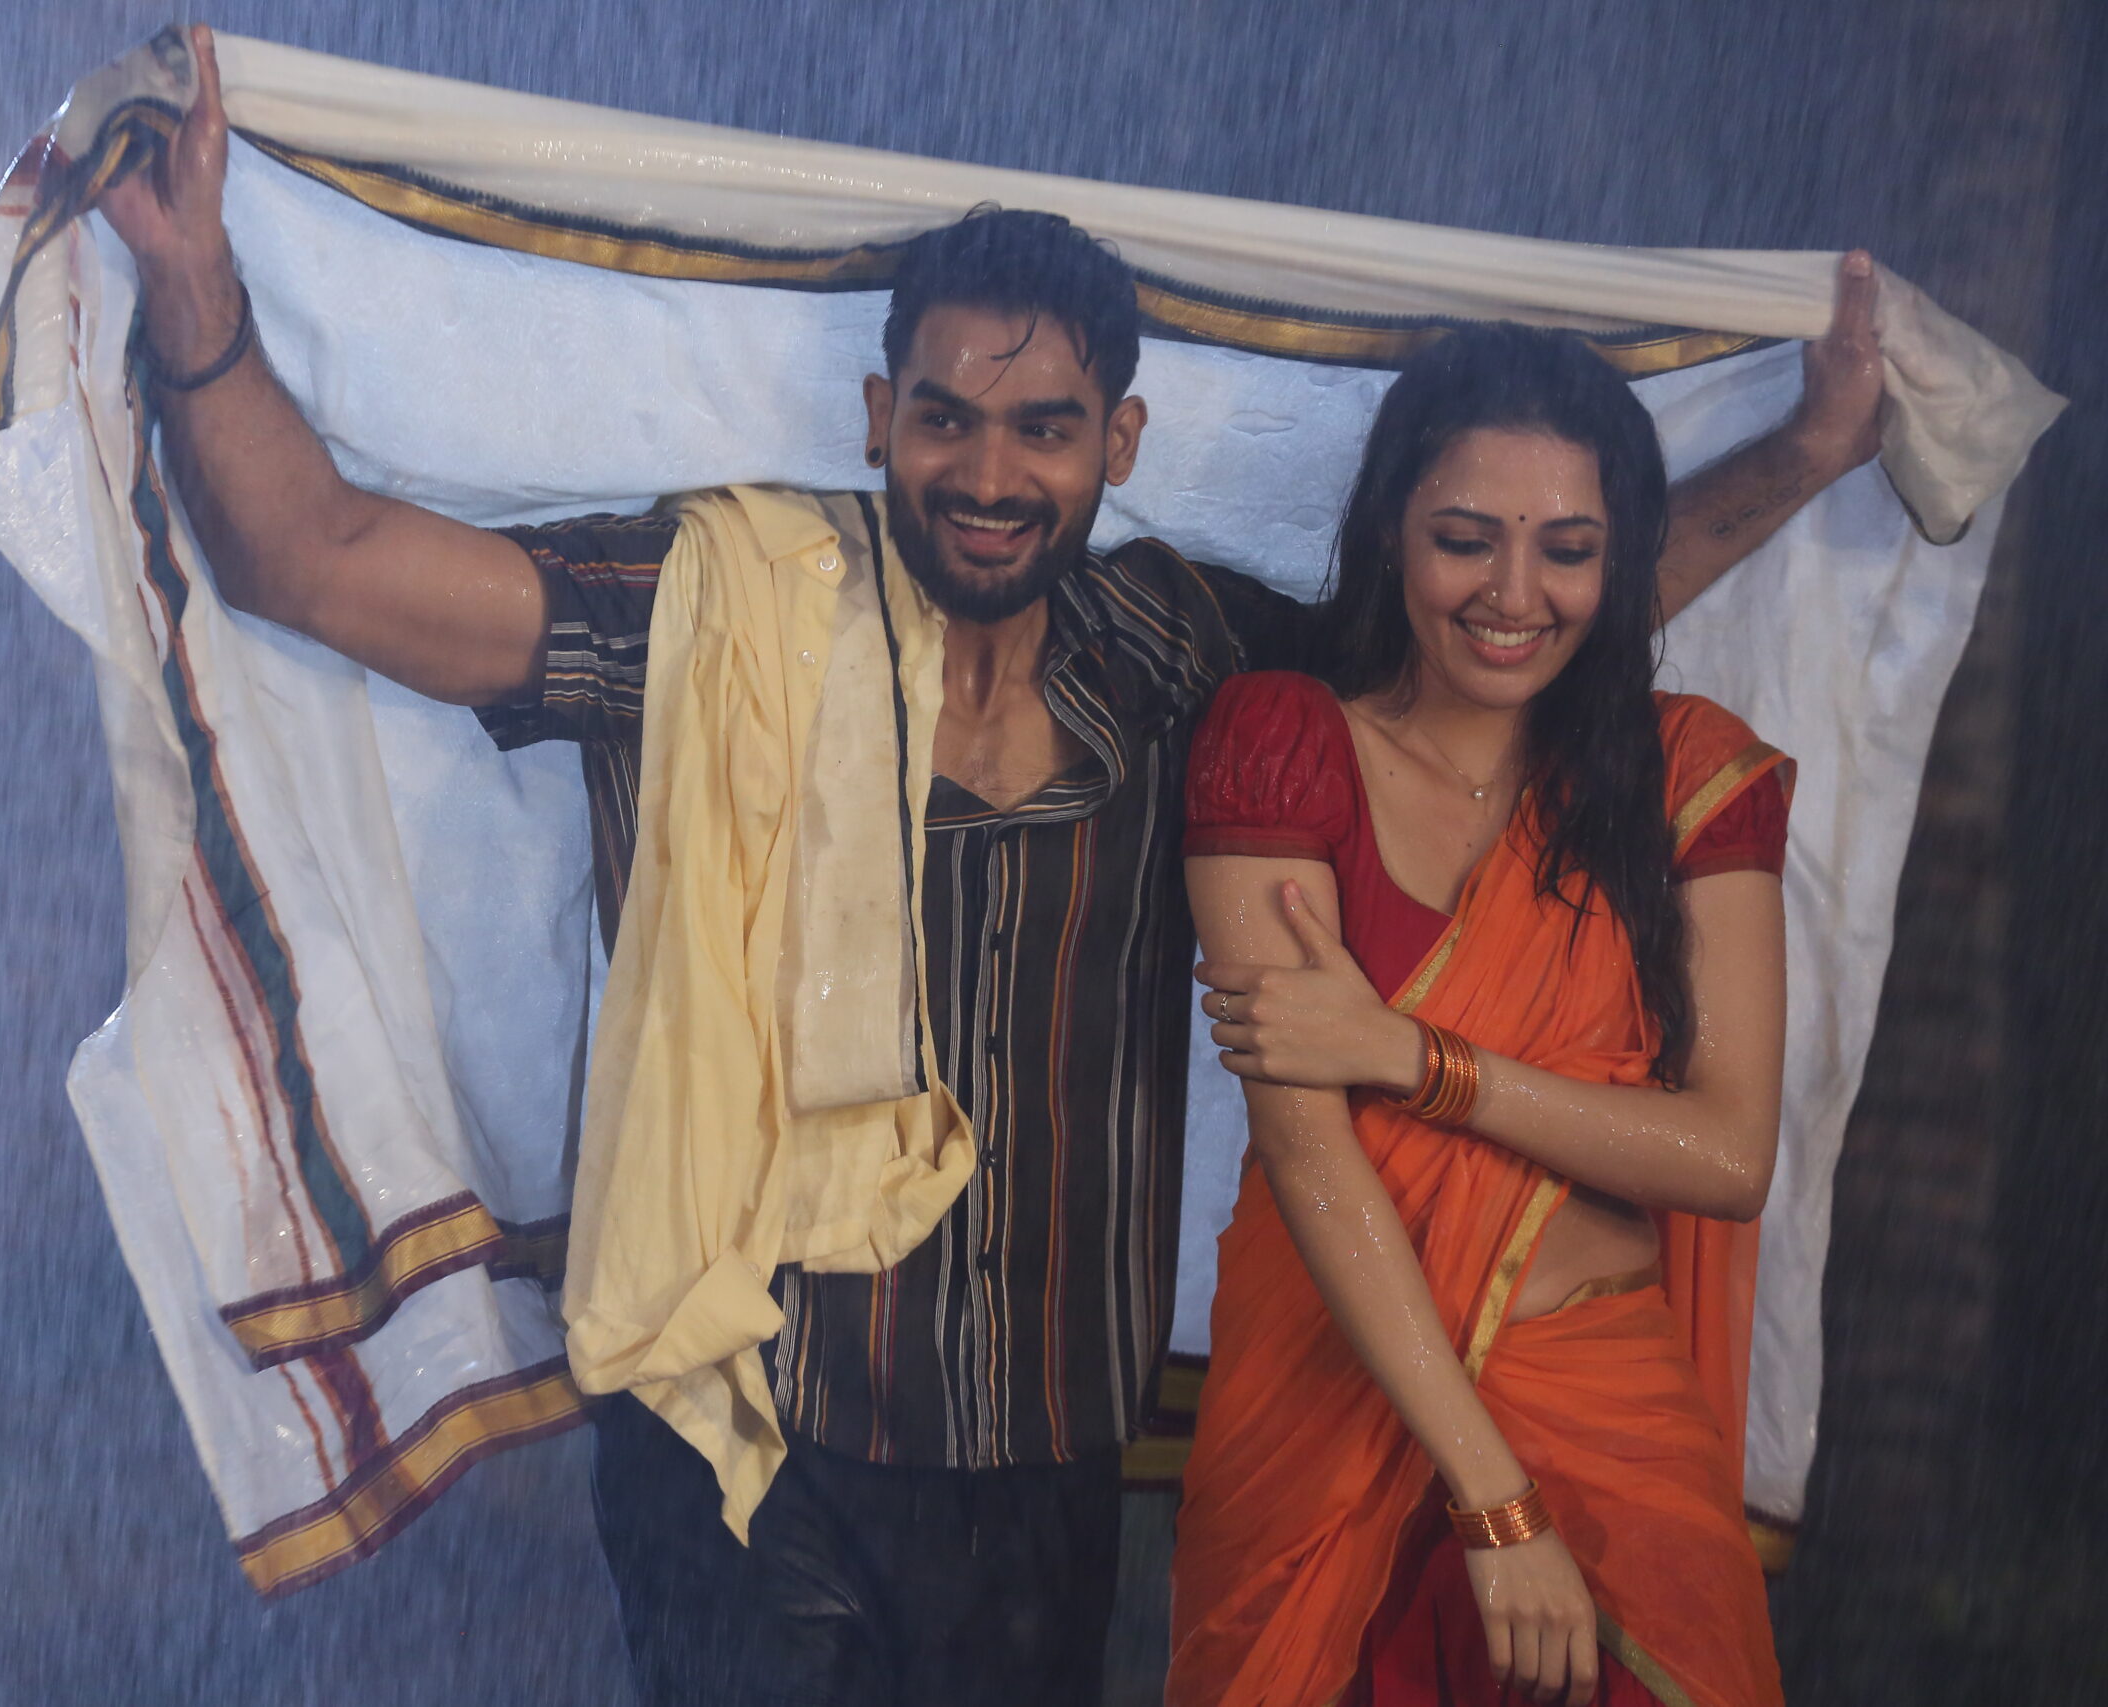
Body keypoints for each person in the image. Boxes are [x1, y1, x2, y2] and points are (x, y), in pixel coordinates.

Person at [103, 26, 1875, 1704]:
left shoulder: (1175, 651)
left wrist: (1799, 458)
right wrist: (194, 296)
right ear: (879, 418)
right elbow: (315, 560)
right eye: (947, 418)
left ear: (1122, 444)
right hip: (739, 1426)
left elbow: (1495, 633)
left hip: (1045, 1453)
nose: (990, 471)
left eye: (1046, 429)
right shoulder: (710, 613)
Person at [1169, 323, 1796, 1707]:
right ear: (1390, 529)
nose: (1513, 596)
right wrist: (1495, 1504)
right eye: (1465, 540)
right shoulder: (1281, 744)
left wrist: (1415, 1058)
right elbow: (1312, 1156)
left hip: (1611, 1425)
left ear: (1618, 563)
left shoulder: (1683, 776)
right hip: (1333, 1404)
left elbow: (1726, 1155)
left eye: (1568, 551)